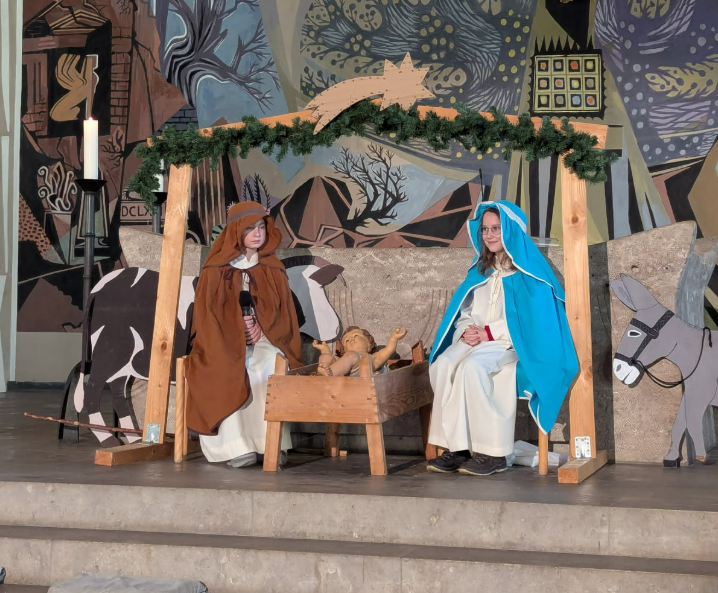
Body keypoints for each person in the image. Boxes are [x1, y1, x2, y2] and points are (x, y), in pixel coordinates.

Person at [427, 200, 578, 476]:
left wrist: (488, 333)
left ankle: (493, 453)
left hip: (512, 344)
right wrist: (466, 330)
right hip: (478, 340)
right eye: (485, 229)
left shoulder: (529, 273)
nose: (489, 234)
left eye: (496, 228)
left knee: (473, 368)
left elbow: (532, 324)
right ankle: (457, 447)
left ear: (510, 230)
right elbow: (466, 310)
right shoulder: (481, 271)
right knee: (443, 365)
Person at [185, 201, 302, 468]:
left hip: (263, 342)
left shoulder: (272, 268)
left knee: (272, 363)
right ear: (236, 230)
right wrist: (236, 330)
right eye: (250, 228)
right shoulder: (215, 269)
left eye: (261, 227)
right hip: (221, 343)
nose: (257, 234)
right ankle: (236, 447)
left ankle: (271, 444)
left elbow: (284, 316)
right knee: (232, 366)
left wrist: (263, 329)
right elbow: (206, 316)